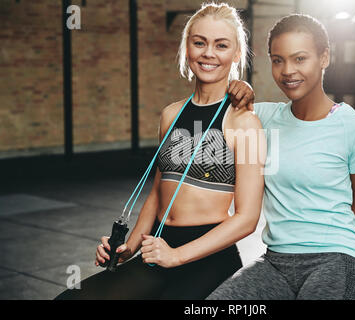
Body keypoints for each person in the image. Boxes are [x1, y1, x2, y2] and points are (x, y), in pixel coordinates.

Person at [55, 2, 265, 300]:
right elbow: (158, 193)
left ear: (236, 54)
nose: (208, 53)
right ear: (187, 48)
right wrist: (129, 247)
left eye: (221, 45)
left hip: (209, 256)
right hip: (158, 247)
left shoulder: (245, 122)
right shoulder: (170, 115)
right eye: (199, 42)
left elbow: (247, 218)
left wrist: (178, 256)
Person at [208, 13, 355, 300]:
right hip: (276, 262)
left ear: (324, 58)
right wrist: (239, 89)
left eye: (300, 59)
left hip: (340, 258)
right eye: (278, 60)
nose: (287, 70)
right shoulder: (261, 118)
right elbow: (207, 109)